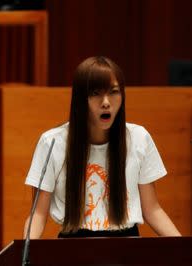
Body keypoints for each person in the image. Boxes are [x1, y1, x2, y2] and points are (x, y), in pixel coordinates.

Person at [23, 56, 181, 238]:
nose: (106, 102)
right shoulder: (52, 142)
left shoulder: (138, 138)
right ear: (80, 99)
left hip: (127, 247)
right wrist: (16, 257)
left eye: (114, 92)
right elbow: (38, 215)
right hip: (73, 247)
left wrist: (185, 252)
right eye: (96, 93)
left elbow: (152, 210)